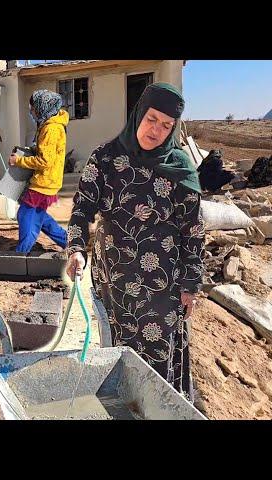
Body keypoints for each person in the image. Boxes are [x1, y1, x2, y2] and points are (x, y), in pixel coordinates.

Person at [65, 83, 204, 400]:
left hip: (162, 289)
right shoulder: (105, 158)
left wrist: (191, 284)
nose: (157, 130)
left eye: (166, 125)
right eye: (152, 119)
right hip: (113, 283)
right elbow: (82, 209)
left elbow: (193, 230)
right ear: (139, 112)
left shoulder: (180, 168)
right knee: (117, 355)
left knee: (155, 364)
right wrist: (76, 250)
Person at [9, 89, 69, 253]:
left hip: (44, 183)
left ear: (43, 107)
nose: (31, 111)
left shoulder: (51, 129)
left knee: (26, 216)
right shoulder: (50, 124)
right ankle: (68, 242)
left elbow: (45, 161)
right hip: (49, 181)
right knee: (40, 217)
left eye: (33, 108)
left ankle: (22, 253)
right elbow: (47, 152)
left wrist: (19, 161)